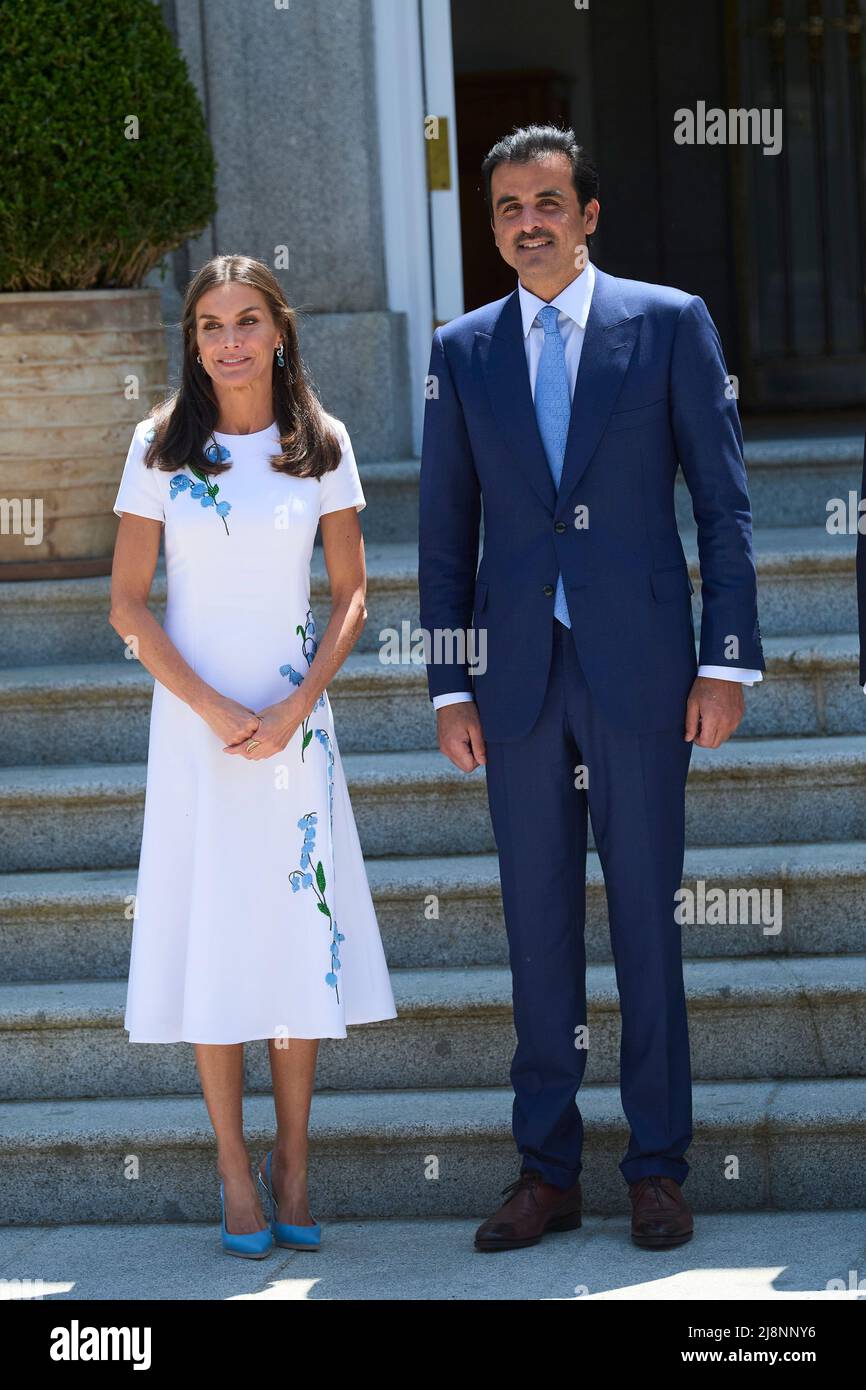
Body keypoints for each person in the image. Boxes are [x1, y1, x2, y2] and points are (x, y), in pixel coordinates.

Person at [418, 125, 764, 1252]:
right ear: (492, 227)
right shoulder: (461, 350)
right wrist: (446, 686)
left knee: (647, 926)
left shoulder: (665, 323)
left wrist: (724, 660)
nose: (528, 221)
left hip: (644, 671)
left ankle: (656, 1168)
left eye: (549, 201)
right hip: (516, 678)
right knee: (535, 932)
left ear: (589, 212)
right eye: (508, 207)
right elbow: (441, 535)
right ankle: (546, 1170)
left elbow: (720, 502)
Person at [110, 253, 396, 1258]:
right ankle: (233, 1168)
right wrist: (209, 707)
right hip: (194, 736)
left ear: (278, 332)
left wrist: (292, 708)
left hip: (293, 733)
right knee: (215, 937)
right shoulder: (156, 448)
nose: (228, 340)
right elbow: (127, 604)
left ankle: (294, 1161)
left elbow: (355, 593)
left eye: (245, 321)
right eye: (208, 326)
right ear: (192, 345)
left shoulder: (321, 445)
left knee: (288, 939)